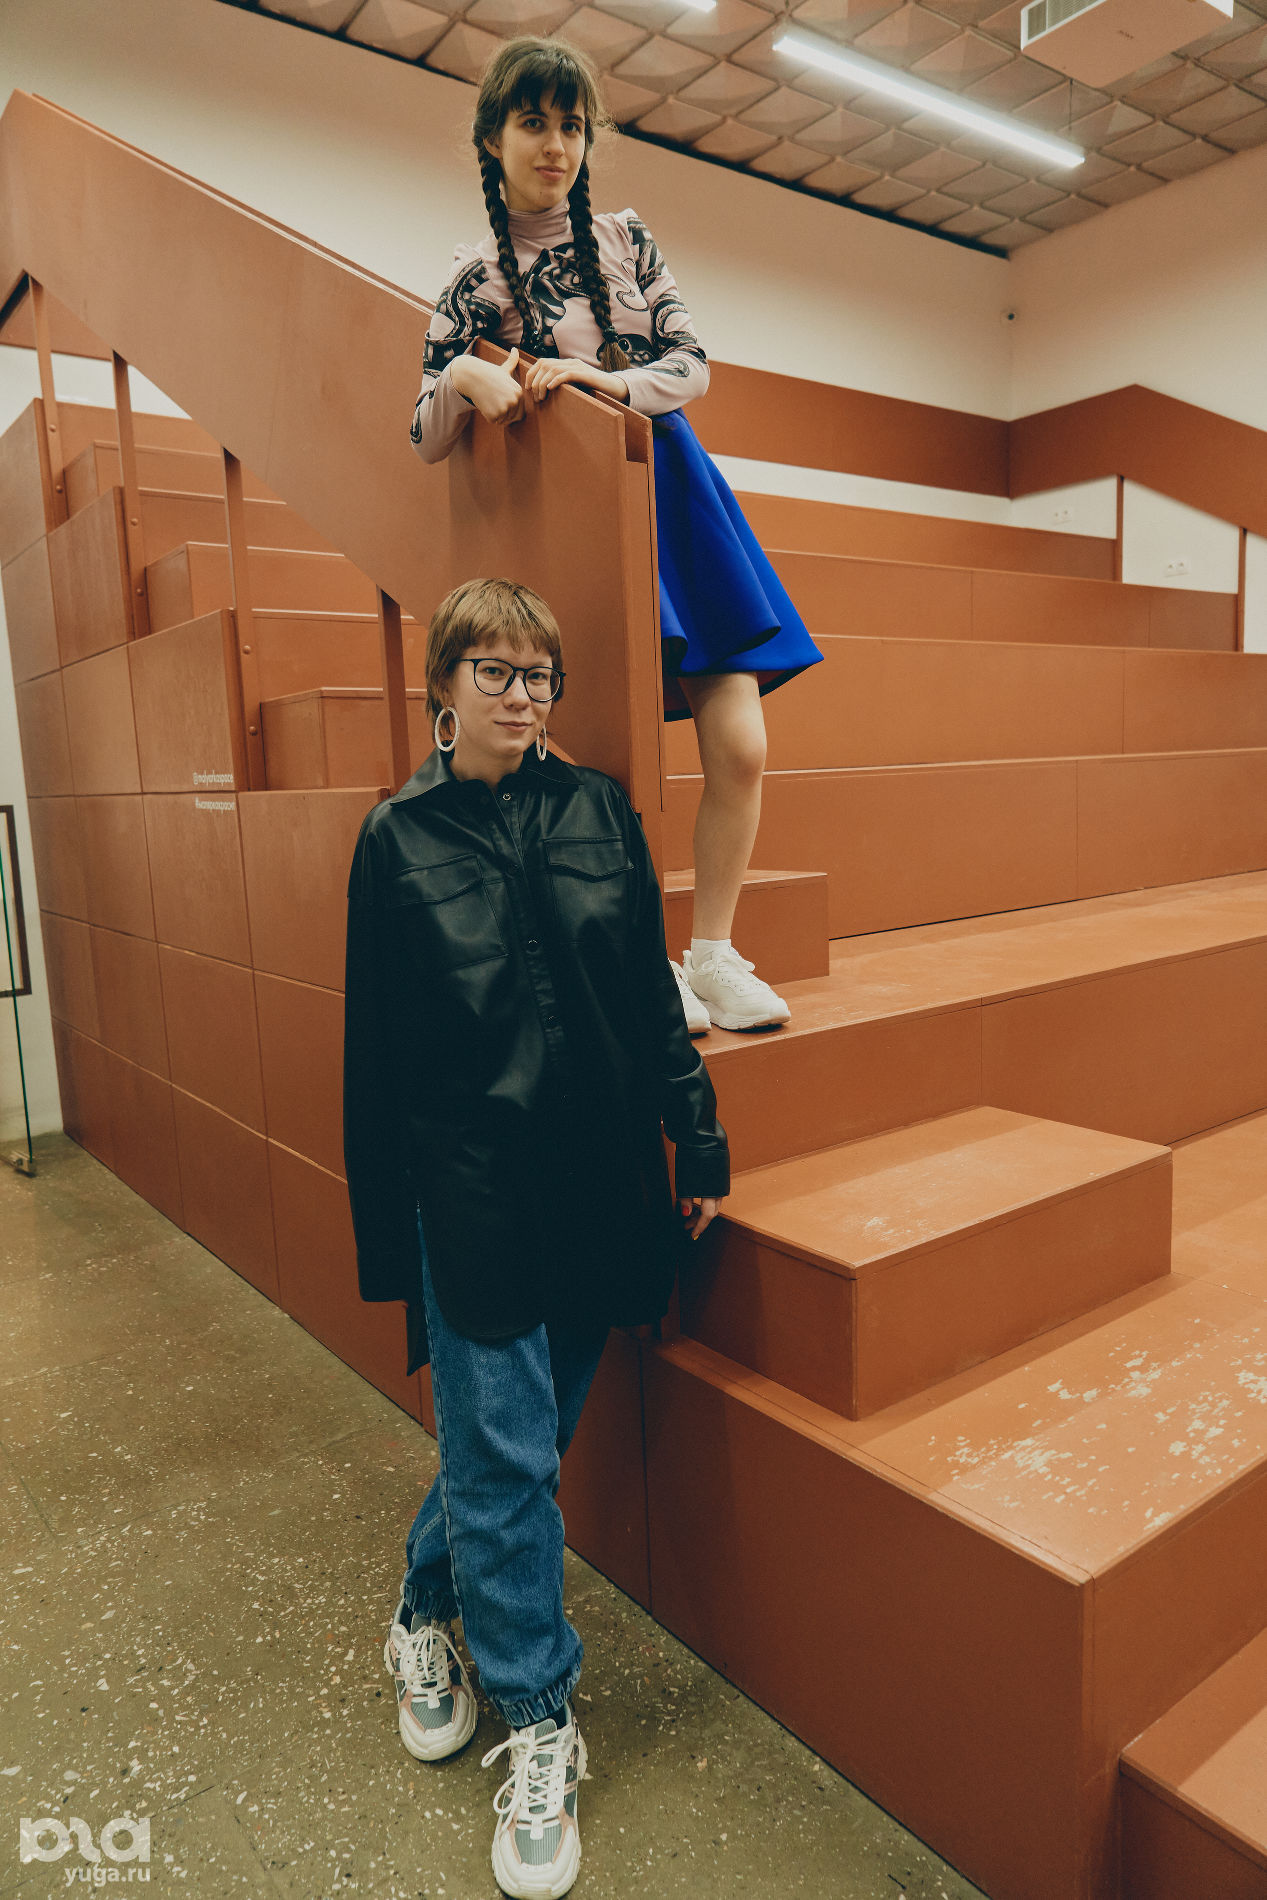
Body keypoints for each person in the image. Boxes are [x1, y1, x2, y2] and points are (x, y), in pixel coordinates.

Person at [342, 576, 730, 1899]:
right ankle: (540, 1716)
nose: (521, 696)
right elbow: (374, 1058)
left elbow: (647, 993)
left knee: (512, 1450)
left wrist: (695, 1134)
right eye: (495, 672)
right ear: (442, 686)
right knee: (507, 1462)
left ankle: (419, 1608)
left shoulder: (598, 812)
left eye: (538, 674)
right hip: (472, 1191)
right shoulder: (394, 839)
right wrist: (389, 1242)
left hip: (596, 1175)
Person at [408, 33, 824, 1037]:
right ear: (493, 137)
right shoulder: (471, 275)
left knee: (741, 744)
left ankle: (713, 952)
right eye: (533, 123)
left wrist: (604, 380)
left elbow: (691, 365)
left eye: (572, 125)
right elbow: (422, 431)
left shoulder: (626, 238)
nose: (556, 144)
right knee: (612, 768)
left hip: (675, 493)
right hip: (575, 516)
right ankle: (644, 962)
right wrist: (465, 374)